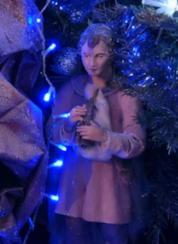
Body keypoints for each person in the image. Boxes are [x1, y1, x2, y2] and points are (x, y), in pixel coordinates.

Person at [46, 24, 146, 244]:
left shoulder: (126, 95)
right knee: (75, 232)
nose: (91, 63)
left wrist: (104, 137)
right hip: (75, 178)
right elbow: (52, 134)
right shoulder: (70, 90)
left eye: (99, 56)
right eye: (86, 56)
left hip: (111, 182)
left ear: (111, 54)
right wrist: (69, 125)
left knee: (113, 233)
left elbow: (136, 142)